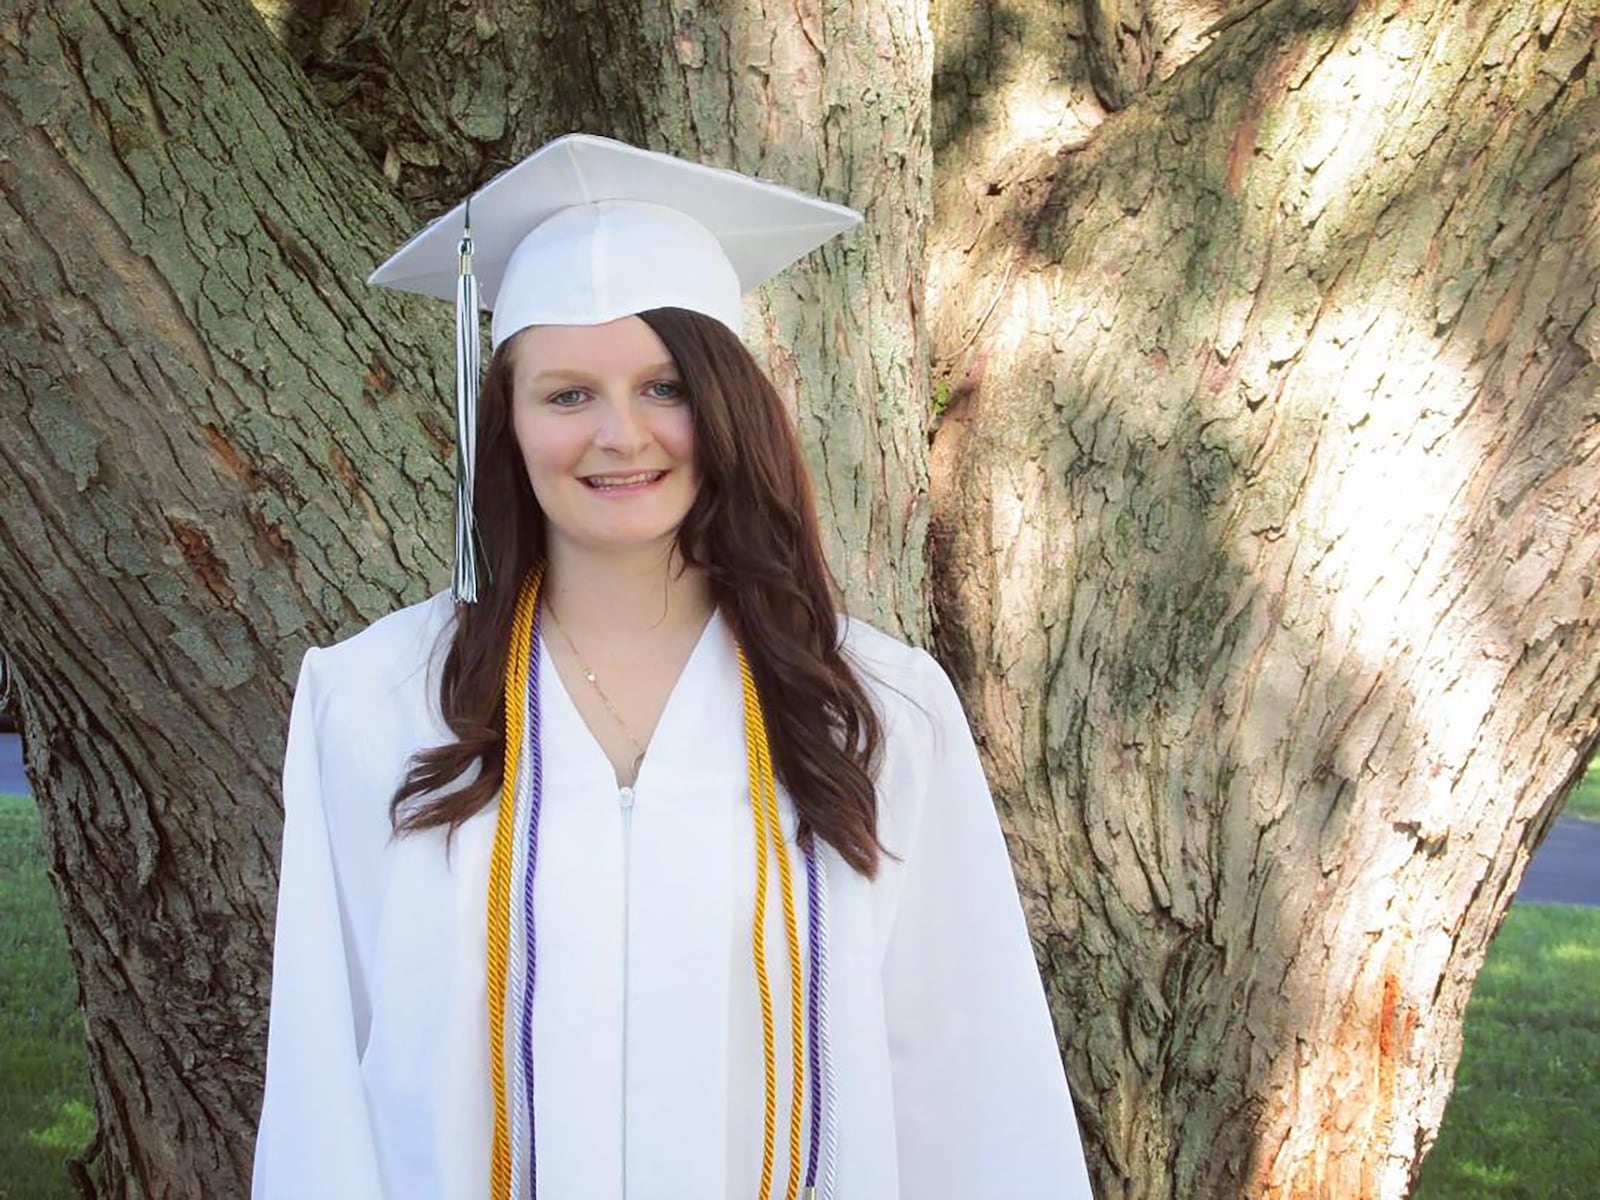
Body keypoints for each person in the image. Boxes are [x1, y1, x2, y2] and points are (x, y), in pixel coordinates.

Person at [253, 134, 1094, 1200]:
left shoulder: (871, 711)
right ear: (503, 424)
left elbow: (968, 1074)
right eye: (566, 395)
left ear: (727, 404)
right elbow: (325, 1073)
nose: (619, 436)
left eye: (663, 386)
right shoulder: (376, 703)